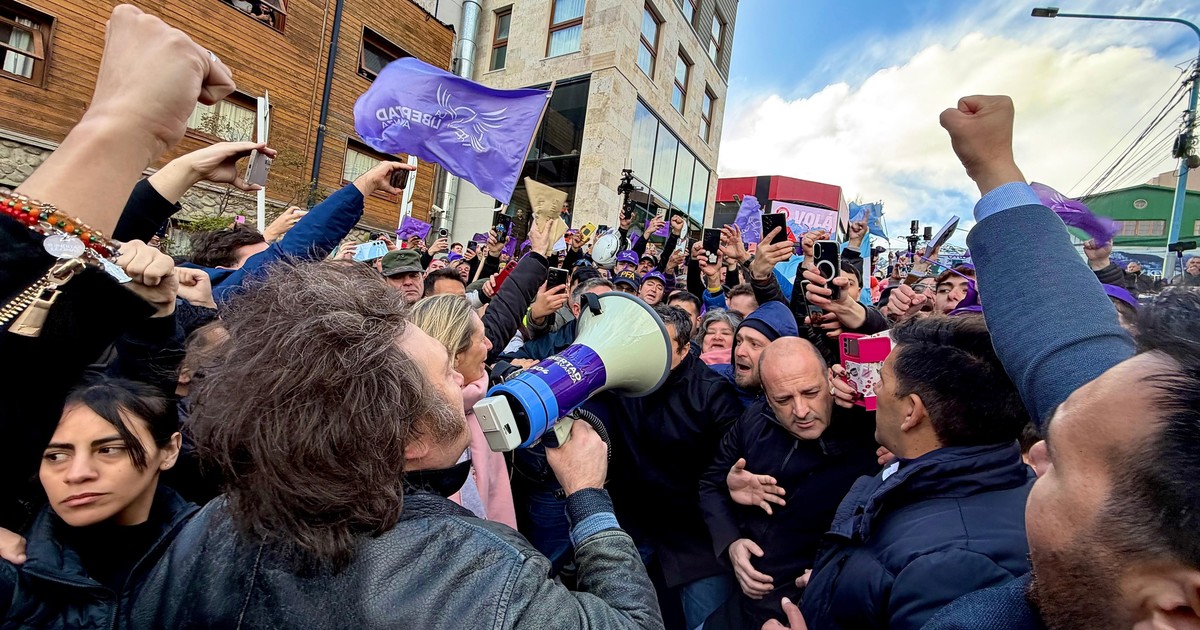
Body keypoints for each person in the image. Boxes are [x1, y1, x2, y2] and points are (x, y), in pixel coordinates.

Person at [128, 261, 664, 629]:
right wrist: (589, 496)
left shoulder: (211, 525)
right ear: (407, 438)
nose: (461, 382)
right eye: (443, 376)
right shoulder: (484, 574)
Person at [918, 94, 1200, 630]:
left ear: (1179, 610)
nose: (1037, 450)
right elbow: (1074, 359)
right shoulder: (1130, 435)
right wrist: (995, 172)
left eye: (1063, 466)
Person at [799, 315, 1033, 630]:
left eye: (880, 379)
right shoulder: (968, 476)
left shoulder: (950, 567)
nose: (874, 390)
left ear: (911, 411)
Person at [699, 337, 878, 629]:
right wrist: (730, 541)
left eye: (811, 392)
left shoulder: (871, 430)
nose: (801, 410)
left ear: (830, 378)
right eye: (783, 399)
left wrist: (835, 575)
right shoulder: (753, 421)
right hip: (742, 608)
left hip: (814, 611)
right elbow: (711, 484)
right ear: (766, 396)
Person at [0, 377, 193, 627]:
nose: (77, 473)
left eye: (109, 450)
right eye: (56, 456)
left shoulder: (218, 556)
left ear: (169, 451)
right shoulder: (14, 566)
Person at [599, 305, 744, 629]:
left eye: (661, 347)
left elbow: (727, 470)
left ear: (685, 346)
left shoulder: (712, 393)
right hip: (636, 531)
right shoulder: (625, 382)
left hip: (696, 542)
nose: (649, 355)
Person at [409, 295, 515, 528]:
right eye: (481, 338)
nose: (489, 345)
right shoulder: (412, 424)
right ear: (457, 354)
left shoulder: (482, 401)